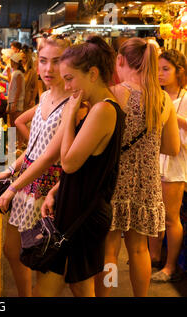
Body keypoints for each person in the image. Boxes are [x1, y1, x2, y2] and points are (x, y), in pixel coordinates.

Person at [35, 36, 125, 297]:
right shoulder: (100, 107)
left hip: (83, 213)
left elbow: (69, 162)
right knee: (79, 284)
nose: (67, 85)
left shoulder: (102, 110)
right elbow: (89, 164)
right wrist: (57, 190)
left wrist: (69, 116)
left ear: (93, 74)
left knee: (52, 286)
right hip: (79, 206)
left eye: (70, 78)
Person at [94, 38, 180, 297]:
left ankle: (105, 296)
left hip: (114, 182)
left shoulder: (114, 95)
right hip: (147, 183)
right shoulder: (163, 99)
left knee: (109, 250)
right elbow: (172, 148)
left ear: (120, 60)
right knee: (140, 248)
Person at [0, 34, 71, 297]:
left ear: (69, 64)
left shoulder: (74, 103)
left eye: (56, 62)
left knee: (42, 259)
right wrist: (11, 170)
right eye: (44, 61)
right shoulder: (45, 97)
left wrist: (13, 186)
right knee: (12, 251)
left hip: (49, 191)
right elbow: (35, 149)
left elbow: (49, 156)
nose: (48, 68)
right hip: (27, 184)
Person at [148, 49, 187, 283]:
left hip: (174, 165)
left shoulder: (183, 99)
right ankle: (152, 256)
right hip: (153, 163)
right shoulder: (157, 96)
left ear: (179, 71)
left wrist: (173, 117)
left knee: (171, 217)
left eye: (166, 69)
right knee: (154, 213)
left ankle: (170, 266)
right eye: (158, 69)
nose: (160, 74)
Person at [7, 52, 26, 137]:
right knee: (12, 124)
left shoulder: (18, 73)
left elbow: (18, 89)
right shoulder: (15, 72)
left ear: (15, 62)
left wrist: (14, 102)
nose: (10, 63)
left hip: (16, 102)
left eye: (11, 61)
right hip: (12, 101)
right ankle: (13, 144)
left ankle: (18, 144)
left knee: (15, 124)